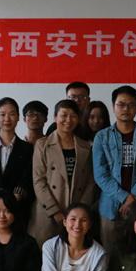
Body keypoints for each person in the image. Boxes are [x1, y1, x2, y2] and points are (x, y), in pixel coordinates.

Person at [92, 85, 136, 251]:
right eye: (121, 104)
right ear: (113, 106)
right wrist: (124, 197)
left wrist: (132, 199)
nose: (126, 109)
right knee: (110, 253)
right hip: (110, 206)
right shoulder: (102, 137)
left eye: (131, 105)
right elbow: (100, 174)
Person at [32, 99, 96, 244]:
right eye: (64, 115)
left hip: (76, 214)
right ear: (55, 117)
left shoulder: (85, 147)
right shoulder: (42, 145)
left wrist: (79, 211)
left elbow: (90, 182)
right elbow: (39, 181)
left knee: (74, 250)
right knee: (46, 250)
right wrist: (55, 211)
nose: (68, 120)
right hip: (48, 211)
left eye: (73, 116)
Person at [0, 97, 34, 239]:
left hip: (16, 212)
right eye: (2, 114)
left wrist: (8, 208)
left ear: (18, 117)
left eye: (12, 114)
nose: (7, 119)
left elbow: (25, 181)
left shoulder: (27, 148)